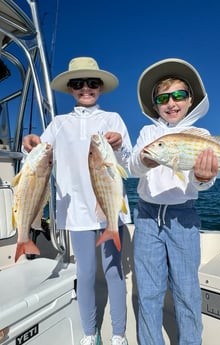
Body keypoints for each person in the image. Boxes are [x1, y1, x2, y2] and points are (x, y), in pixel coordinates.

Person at [22, 57, 132, 345]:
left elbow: (129, 164)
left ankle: (118, 333)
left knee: (113, 270)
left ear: (101, 88)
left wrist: (119, 146)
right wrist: (31, 143)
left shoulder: (113, 119)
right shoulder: (59, 124)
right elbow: (36, 159)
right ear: (70, 88)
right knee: (84, 272)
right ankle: (88, 331)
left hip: (109, 209)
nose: (86, 88)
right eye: (78, 83)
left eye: (92, 83)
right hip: (77, 213)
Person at [128, 58, 219, 345]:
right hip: (145, 216)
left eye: (179, 95)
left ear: (190, 100)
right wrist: (143, 160)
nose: (172, 102)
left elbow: (202, 182)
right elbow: (132, 166)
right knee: (149, 290)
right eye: (163, 98)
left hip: (184, 218)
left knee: (187, 289)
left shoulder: (201, 135)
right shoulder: (148, 133)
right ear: (155, 105)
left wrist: (203, 178)